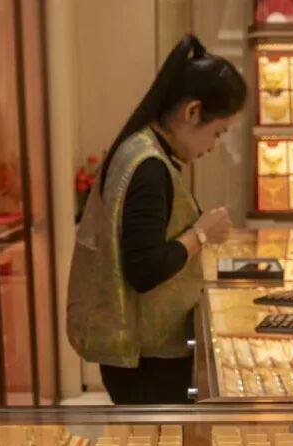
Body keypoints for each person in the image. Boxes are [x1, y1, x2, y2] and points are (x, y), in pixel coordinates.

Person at [67, 35, 246, 404]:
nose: (212, 146)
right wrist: (200, 233)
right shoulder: (149, 167)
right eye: (217, 132)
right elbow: (145, 268)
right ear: (192, 112)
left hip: (141, 355)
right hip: (148, 360)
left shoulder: (139, 148)